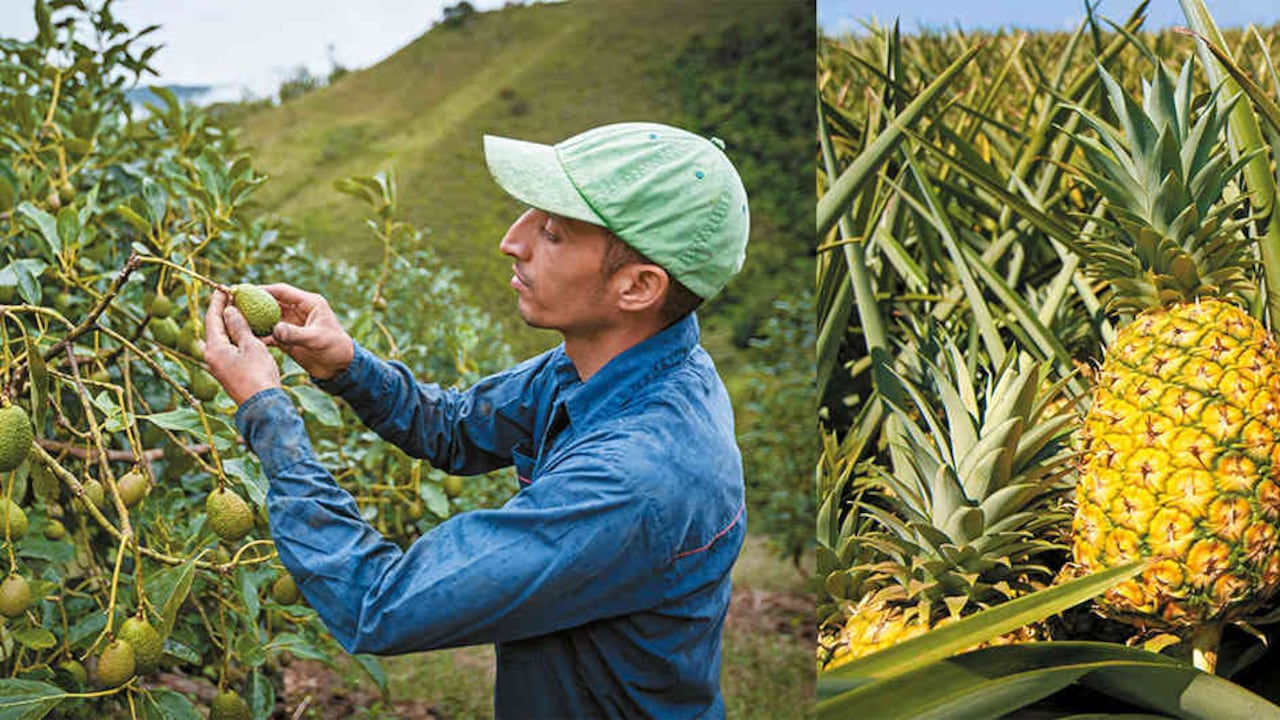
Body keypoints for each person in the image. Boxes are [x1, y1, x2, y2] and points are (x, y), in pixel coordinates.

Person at [203, 121, 751, 719]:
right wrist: (347, 364)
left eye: (552, 232)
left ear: (638, 286)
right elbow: (459, 426)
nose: (511, 241)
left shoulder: (637, 478)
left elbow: (380, 604)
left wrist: (268, 414)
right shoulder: (609, 364)